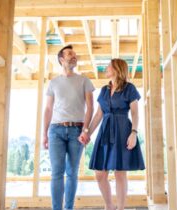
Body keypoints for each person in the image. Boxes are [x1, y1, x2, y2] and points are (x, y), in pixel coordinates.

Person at [84, 58, 145, 210]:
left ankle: (121, 208)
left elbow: (135, 113)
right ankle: (109, 206)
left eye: (108, 66)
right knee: (100, 174)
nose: (105, 68)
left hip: (123, 130)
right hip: (105, 132)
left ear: (117, 69)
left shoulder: (129, 88)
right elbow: (98, 115)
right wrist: (88, 133)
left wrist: (134, 133)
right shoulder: (104, 90)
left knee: (120, 173)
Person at [42, 45, 94, 210]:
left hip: (76, 131)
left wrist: (85, 130)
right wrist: (44, 134)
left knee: (72, 173)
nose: (74, 57)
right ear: (61, 60)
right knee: (57, 173)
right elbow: (48, 109)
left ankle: (69, 208)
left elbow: (90, 107)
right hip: (55, 131)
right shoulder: (53, 82)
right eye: (70, 54)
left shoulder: (84, 81)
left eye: (75, 55)